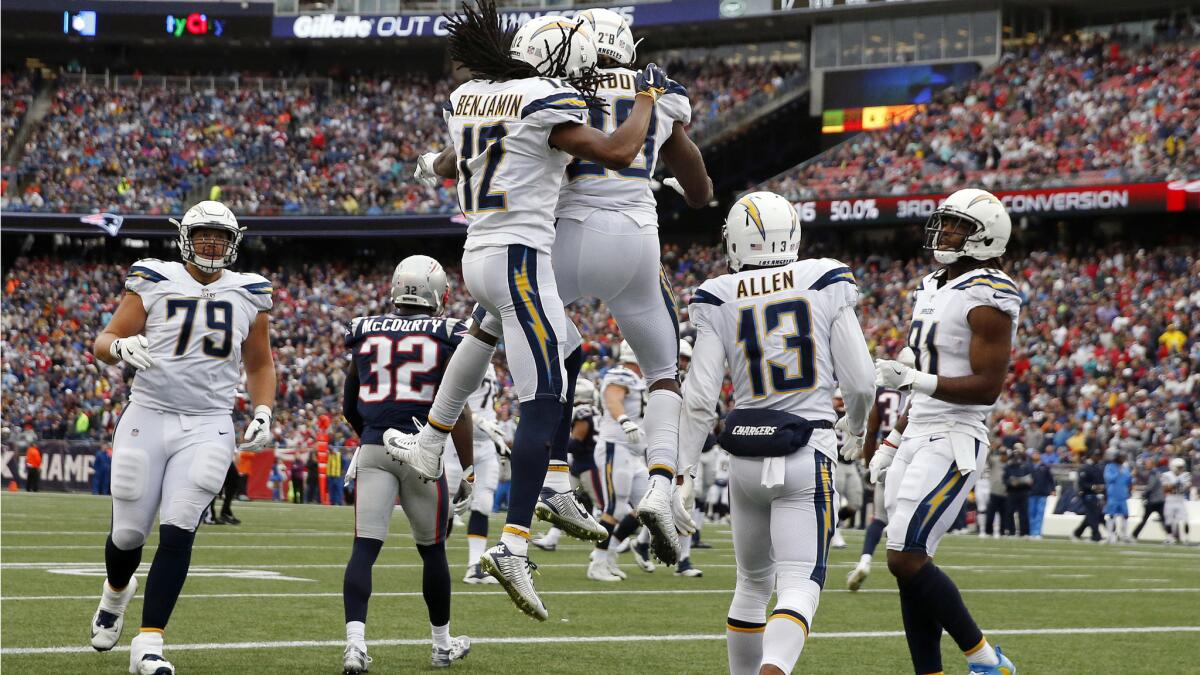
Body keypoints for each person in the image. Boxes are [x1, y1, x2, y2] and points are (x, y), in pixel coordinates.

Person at [387, 1, 667, 620]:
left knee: (567, 351)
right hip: (519, 259)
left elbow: (451, 161)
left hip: (478, 255)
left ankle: (442, 444)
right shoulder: (545, 101)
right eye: (581, 65)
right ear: (558, 62)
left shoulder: (474, 96)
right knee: (543, 396)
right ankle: (514, 543)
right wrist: (645, 98)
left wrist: (431, 163)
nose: (588, 73)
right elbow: (618, 152)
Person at [678, 191, 875, 675]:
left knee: (750, 585)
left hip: (744, 455)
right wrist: (856, 425)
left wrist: (682, 471)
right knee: (800, 584)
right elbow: (862, 382)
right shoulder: (823, 278)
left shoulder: (718, 293)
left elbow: (700, 397)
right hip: (807, 450)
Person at [550, 7, 711, 566]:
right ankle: (663, 486)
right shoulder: (660, 93)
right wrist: (672, 144)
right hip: (639, 242)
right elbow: (699, 193)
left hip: (568, 234)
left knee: (494, 327)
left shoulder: (553, 85)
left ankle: (531, 475)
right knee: (664, 372)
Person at [87, 200, 276, 674]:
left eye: (220, 236)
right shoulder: (154, 278)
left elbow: (258, 363)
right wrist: (120, 348)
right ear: (185, 238)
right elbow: (104, 340)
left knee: (178, 528)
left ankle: (148, 646)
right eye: (204, 235)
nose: (211, 243)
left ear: (233, 242)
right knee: (129, 532)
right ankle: (114, 593)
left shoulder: (250, 293)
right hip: (147, 414)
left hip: (209, 421)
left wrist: (263, 409)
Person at [870, 188, 1020, 675]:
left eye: (958, 226)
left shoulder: (989, 294)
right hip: (918, 433)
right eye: (946, 223)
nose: (945, 233)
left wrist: (915, 380)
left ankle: (984, 658)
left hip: (955, 436)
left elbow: (987, 387)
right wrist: (894, 437)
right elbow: (928, 378)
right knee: (907, 567)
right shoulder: (935, 283)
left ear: (984, 237)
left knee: (905, 556)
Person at [339, 255, 474, 672]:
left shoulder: (366, 329)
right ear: (436, 293)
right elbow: (459, 410)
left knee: (364, 548)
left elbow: (349, 402)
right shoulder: (448, 333)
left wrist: (370, 436)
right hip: (422, 450)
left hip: (375, 448)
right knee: (433, 552)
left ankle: (355, 646)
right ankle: (441, 644)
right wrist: (467, 469)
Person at [588, 341, 652, 581]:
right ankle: (597, 563)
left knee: (647, 508)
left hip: (634, 452)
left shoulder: (641, 378)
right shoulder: (621, 373)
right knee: (614, 507)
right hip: (617, 446)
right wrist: (624, 420)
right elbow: (613, 397)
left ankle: (609, 554)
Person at [847, 382, 909, 591]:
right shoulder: (923, 385)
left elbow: (872, 431)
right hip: (914, 456)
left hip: (887, 455)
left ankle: (864, 561)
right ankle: (916, 571)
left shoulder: (882, 394)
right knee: (912, 516)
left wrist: (869, 465)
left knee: (879, 517)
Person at [460, 363, 507, 584]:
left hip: (486, 443)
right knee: (448, 505)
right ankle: (434, 560)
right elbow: (450, 393)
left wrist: (493, 429)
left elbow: (486, 402)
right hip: (458, 441)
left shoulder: (490, 365)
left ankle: (475, 565)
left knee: (484, 502)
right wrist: (478, 420)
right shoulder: (463, 354)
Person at [1072, 451, 1106, 542]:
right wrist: (1093, 487)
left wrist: (1102, 487)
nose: (1098, 458)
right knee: (1093, 515)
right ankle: (1096, 536)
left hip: (1097, 495)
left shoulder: (1098, 467)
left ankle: (1077, 533)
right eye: (1097, 456)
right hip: (1087, 494)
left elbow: (1101, 480)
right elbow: (1082, 483)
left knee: (1093, 515)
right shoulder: (1085, 467)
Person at [1132, 458, 1166, 541]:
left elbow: (1150, 486)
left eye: (1148, 463)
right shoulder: (1153, 472)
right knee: (1162, 519)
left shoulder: (1154, 473)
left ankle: (1134, 535)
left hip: (1155, 500)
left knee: (1149, 519)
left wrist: (1143, 494)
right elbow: (1143, 476)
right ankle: (1170, 535)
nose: (1146, 465)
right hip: (1157, 500)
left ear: (1152, 464)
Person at [1003, 447, 1033, 537]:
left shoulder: (1026, 466)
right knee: (1009, 512)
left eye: (1019, 456)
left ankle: (1025, 532)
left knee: (1023, 513)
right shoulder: (1008, 467)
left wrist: (1029, 482)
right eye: (1015, 456)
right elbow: (1005, 479)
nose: (1017, 458)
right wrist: (1011, 483)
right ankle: (1010, 531)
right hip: (1012, 491)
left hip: (1024, 491)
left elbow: (1032, 477)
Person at [1103, 453, 1133, 543]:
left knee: (1125, 515)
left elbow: (1128, 479)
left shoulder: (1125, 468)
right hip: (1113, 495)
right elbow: (1109, 478)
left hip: (1123, 495)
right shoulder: (1109, 467)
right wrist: (1118, 473)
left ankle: (1124, 535)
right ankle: (1110, 535)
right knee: (1111, 515)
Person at [1162, 457, 1192, 545]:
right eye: (1179, 467)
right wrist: (1175, 484)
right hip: (1170, 499)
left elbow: (1186, 487)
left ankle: (1186, 538)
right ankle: (1169, 537)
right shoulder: (1166, 475)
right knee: (1168, 520)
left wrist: (1175, 485)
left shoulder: (1185, 475)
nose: (1182, 469)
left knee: (1186, 519)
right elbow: (1165, 488)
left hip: (1180, 499)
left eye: (1182, 467)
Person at [1028, 451, 1054, 539]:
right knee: (1031, 513)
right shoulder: (1028, 466)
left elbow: (1050, 480)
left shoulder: (1045, 467)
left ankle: (1037, 532)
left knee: (1040, 513)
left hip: (1042, 493)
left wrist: (1052, 489)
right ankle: (1031, 532)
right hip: (1031, 493)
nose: (1035, 455)